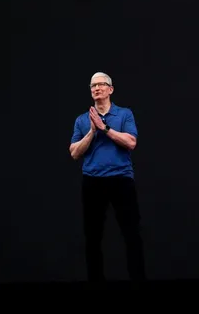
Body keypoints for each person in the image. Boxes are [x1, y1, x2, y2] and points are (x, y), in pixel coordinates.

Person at [69, 72, 146, 282]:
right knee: (92, 237)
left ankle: (138, 281)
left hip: (121, 179)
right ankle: (95, 283)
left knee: (132, 234)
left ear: (110, 89)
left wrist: (105, 128)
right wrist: (92, 131)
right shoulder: (82, 120)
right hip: (92, 181)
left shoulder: (124, 114)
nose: (96, 88)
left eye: (101, 84)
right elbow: (74, 152)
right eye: (93, 86)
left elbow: (131, 142)